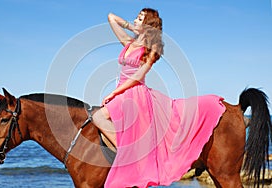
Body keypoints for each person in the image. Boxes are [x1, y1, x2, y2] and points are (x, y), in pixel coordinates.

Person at [92, 8, 225, 188]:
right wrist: (135, 28)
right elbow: (111, 17)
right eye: (137, 18)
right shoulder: (128, 42)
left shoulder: (151, 48)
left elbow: (138, 77)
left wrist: (114, 93)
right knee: (108, 121)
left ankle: (128, 153)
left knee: (98, 117)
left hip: (133, 92)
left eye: (140, 19)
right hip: (122, 91)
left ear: (148, 24)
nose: (135, 20)